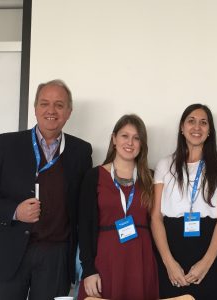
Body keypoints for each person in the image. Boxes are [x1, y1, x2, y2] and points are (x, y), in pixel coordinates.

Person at [0, 79, 93, 299]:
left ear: (69, 111)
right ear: (35, 108)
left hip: (55, 258)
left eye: (59, 104)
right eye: (45, 103)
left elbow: (84, 210)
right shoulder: (7, 144)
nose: (51, 110)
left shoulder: (81, 151)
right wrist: (15, 211)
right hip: (8, 253)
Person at [151, 103, 217, 299]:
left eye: (203, 123)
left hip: (210, 248)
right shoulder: (165, 165)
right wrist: (168, 263)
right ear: (182, 128)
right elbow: (155, 217)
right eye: (191, 121)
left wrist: (206, 263)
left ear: (209, 131)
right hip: (172, 250)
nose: (197, 127)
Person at [77, 114, 158, 300]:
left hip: (141, 261)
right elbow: (84, 227)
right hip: (105, 261)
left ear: (142, 144)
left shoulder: (151, 178)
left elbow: (158, 223)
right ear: (114, 139)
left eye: (136, 138)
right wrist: (88, 270)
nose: (130, 142)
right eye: (124, 136)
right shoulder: (94, 176)